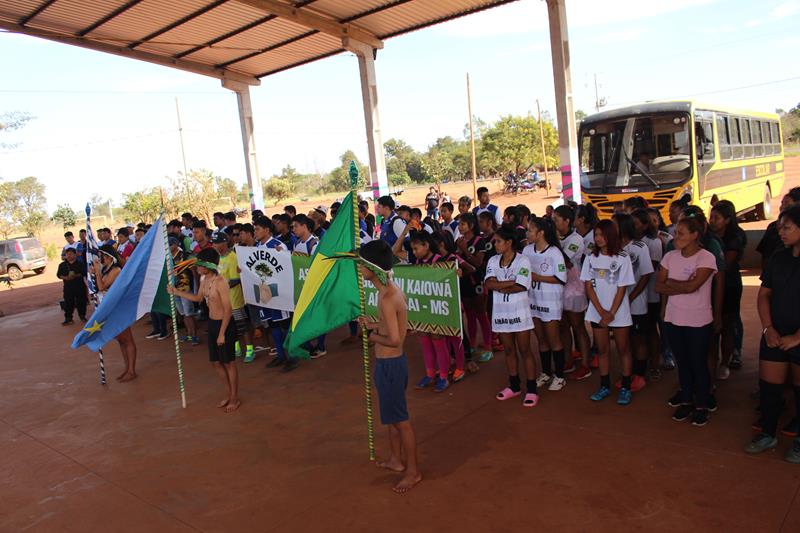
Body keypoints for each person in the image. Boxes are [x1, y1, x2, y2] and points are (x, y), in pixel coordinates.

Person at [355, 240, 421, 493]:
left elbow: (395, 339)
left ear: (373, 266)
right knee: (393, 417)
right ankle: (396, 460)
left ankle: (413, 471)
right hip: (390, 363)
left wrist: (369, 335)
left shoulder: (387, 296)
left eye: (363, 263)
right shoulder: (389, 291)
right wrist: (372, 325)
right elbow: (392, 326)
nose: (360, 267)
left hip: (391, 363)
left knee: (401, 420)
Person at [746, 205, 800, 461]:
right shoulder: (779, 257)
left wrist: (797, 338)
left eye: (787, 227)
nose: (781, 231)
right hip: (775, 334)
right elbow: (764, 294)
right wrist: (768, 328)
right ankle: (768, 433)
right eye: (780, 226)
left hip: (798, 337)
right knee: (769, 389)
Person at [657, 216, 718, 427]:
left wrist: (672, 283)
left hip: (698, 320)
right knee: (682, 363)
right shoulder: (670, 257)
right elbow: (659, 286)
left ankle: (701, 404)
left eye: (681, 233)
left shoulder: (706, 258)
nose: (676, 237)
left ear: (695, 235)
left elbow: (693, 287)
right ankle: (686, 400)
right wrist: (683, 284)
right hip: (674, 318)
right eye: (676, 233)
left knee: (698, 362)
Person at [169, 248, 240, 413]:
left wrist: (222, 333)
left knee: (229, 363)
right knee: (216, 362)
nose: (197, 267)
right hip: (213, 323)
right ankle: (229, 393)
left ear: (208, 265)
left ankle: (234, 397)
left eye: (200, 263)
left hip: (225, 325)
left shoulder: (221, 282)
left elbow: (228, 310)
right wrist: (176, 291)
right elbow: (198, 298)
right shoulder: (203, 279)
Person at [581, 220, 636, 405]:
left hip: (619, 313)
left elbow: (622, 288)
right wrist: (601, 311)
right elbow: (588, 286)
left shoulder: (622, 258)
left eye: (602, 235)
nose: (598, 239)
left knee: (623, 349)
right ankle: (604, 385)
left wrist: (611, 313)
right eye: (596, 235)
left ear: (611, 236)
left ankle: (626, 387)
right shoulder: (590, 258)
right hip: (598, 313)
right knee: (602, 350)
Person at [485, 224, 538, 407]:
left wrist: (500, 284)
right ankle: (514, 386)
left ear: (509, 243)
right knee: (509, 350)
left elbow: (522, 286)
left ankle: (531, 388)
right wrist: (509, 283)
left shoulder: (523, 261)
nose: (495, 244)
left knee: (525, 350)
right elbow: (489, 284)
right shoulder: (493, 261)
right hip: (501, 314)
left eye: (499, 241)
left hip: (520, 313)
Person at [523, 216, 568, 392]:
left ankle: (560, 375)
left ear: (540, 233)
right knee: (541, 339)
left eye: (530, 230)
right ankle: (547, 372)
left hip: (550, 302)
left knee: (554, 339)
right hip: (533, 302)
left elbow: (561, 278)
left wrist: (537, 277)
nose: (527, 233)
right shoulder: (527, 250)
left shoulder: (554, 252)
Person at [615, 213, 654, 392]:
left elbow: (646, 275)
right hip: (618, 303)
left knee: (639, 339)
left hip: (636, 302)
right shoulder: (613, 248)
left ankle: (639, 374)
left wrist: (631, 297)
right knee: (626, 338)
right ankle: (627, 373)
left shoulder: (639, 247)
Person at [410, 231, 452, 392]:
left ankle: (443, 376)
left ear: (426, 245)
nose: (414, 252)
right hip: (423, 308)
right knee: (425, 341)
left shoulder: (441, 262)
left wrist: (457, 274)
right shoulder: (417, 263)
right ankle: (429, 374)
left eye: (416, 248)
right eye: (412, 250)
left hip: (437, 309)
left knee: (438, 341)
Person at [554, 205, 592, 380]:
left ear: (567, 221)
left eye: (556, 219)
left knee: (578, 327)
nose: (554, 223)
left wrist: (552, 241)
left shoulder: (576, 239)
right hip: (560, 287)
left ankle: (585, 364)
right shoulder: (560, 238)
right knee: (563, 326)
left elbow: (564, 261)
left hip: (574, 287)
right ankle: (568, 360)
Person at [710, 200, 746, 378]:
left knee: (727, 323)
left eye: (716, 218)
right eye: (711, 217)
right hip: (711, 287)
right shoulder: (708, 236)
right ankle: (713, 361)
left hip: (730, 286)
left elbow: (726, 264)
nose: (712, 220)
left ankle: (726, 360)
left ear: (727, 220)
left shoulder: (735, 237)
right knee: (712, 326)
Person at [94, 245, 138, 382]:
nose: (101, 259)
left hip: (119, 307)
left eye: (103, 256)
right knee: (121, 340)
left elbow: (102, 286)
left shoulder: (116, 270)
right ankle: (127, 368)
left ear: (109, 257)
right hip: (111, 307)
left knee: (127, 339)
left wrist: (97, 273)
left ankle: (131, 370)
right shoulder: (107, 269)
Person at [456, 213, 493, 362]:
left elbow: (478, 263)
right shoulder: (459, 241)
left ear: (471, 226)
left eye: (462, 224)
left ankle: (488, 347)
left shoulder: (479, 241)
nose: (459, 227)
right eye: (459, 224)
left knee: (481, 314)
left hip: (477, 281)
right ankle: (472, 344)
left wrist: (464, 250)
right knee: (469, 315)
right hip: (464, 282)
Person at [213, 232, 254, 363]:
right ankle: (237, 348)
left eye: (216, 243)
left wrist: (219, 288)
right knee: (230, 326)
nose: (214, 245)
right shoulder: (217, 258)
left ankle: (250, 349)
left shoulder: (232, 257)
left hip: (235, 299)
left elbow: (236, 280)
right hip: (223, 300)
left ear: (224, 243)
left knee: (242, 325)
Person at [757, 187, 800, 270]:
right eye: (782, 203)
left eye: (787, 205)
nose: (782, 207)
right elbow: (765, 256)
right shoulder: (778, 257)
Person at [57, 248, 87, 325]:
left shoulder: (80, 263)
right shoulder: (62, 265)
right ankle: (68, 318)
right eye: (67, 254)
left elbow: (84, 273)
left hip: (79, 286)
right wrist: (65, 277)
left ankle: (82, 316)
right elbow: (59, 275)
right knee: (68, 302)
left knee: (81, 301)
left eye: (70, 254)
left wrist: (75, 275)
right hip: (68, 287)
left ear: (75, 254)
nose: (69, 256)